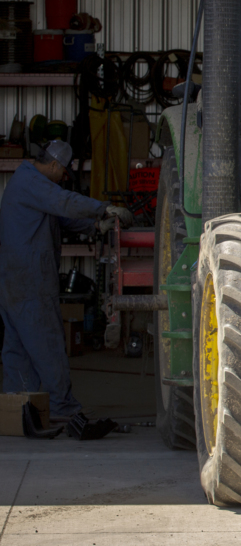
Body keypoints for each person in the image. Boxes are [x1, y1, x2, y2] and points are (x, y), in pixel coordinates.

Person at [0, 140, 133, 421]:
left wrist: (94, 226)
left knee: (18, 347)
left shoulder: (25, 181)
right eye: (63, 172)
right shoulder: (33, 184)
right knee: (47, 342)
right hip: (30, 279)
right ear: (53, 165)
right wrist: (104, 209)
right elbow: (65, 202)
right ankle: (61, 407)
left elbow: (60, 219)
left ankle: (19, 411)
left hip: (13, 278)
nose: (63, 178)